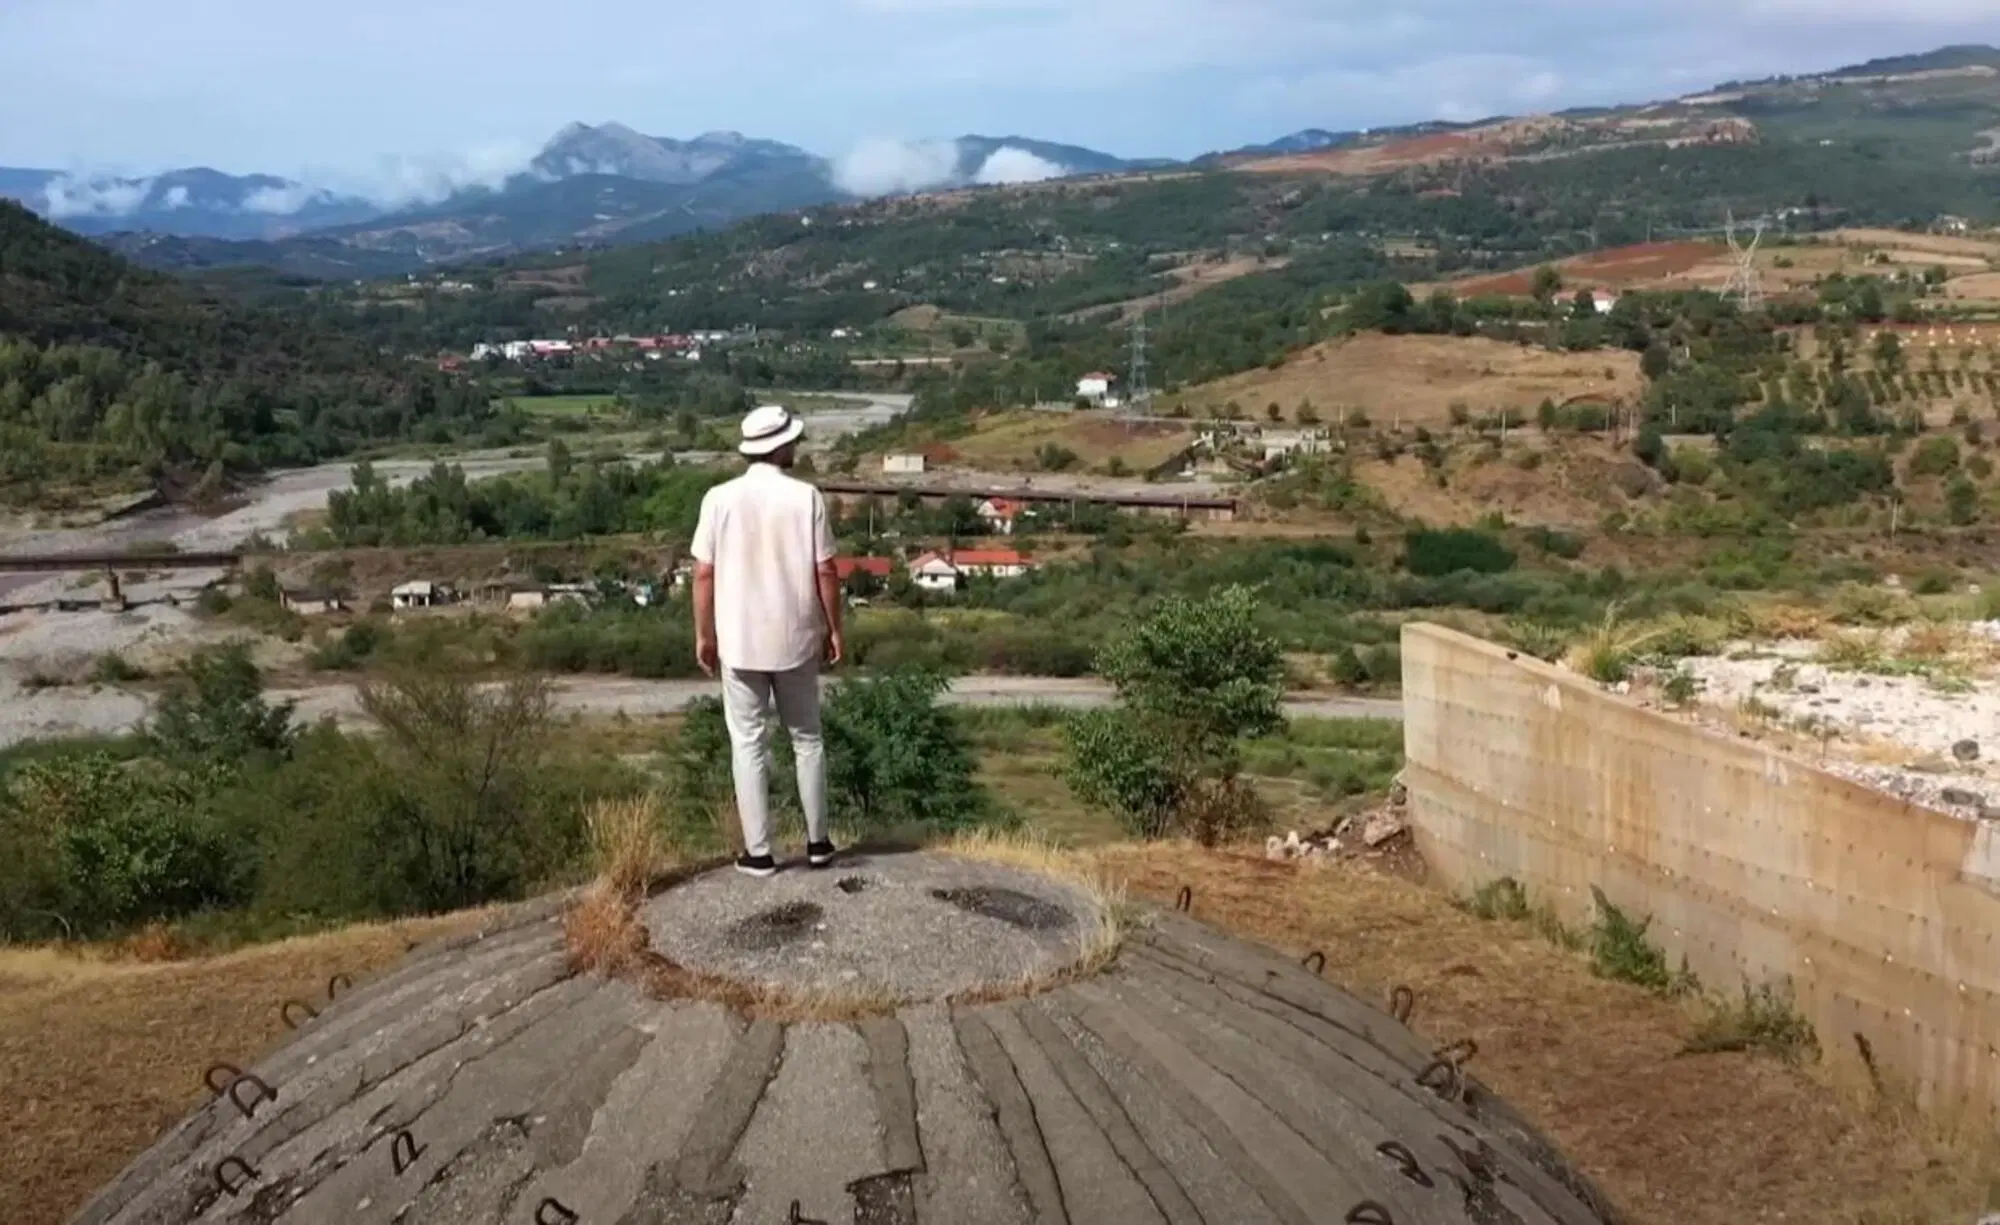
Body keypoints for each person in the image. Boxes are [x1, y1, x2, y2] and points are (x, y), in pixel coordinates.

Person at [691, 405, 845, 877]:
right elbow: (825, 570)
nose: (796, 447)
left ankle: (759, 852)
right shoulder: (807, 498)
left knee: (749, 743)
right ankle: (818, 843)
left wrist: (704, 634)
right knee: (807, 739)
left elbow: (703, 573)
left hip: (739, 640)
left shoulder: (718, 498)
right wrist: (833, 627)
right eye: (792, 441)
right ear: (779, 446)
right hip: (796, 636)